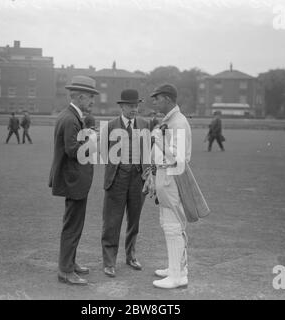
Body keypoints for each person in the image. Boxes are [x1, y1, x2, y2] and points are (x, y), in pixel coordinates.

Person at [48, 75, 99, 286]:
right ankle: (66, 270)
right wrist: (92, 139)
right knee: (72, 226)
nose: (92, 101)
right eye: (89, 97)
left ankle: (71, 263)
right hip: (73, 181)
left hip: (75, 180)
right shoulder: (70, 119)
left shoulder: (72, 116)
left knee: (74, 225)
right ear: (78, 97)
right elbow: (73, 151)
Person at [101, 89, 150, 278]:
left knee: (134, 221)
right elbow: (104, 153)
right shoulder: (111, 126)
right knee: (112, 222)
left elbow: (147, 152)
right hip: (117, 180)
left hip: (138, 179)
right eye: (130, 106)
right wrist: (118, 168)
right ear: (122, 107)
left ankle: (131, 256)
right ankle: (109, 262)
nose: (134, 109)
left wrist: (147, 175)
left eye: (136, 105)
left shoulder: (144, 124)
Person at [149, 84, 192, 289]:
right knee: (169, 225)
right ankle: (177, 269)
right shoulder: (171, 120)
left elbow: (178, 158)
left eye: (156, 98)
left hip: (173, 178)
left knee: (173, 226)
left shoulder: (178, 123)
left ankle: (177, 275)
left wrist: (158, 141)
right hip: (165, 176)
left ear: (167, 98)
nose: (154, 102)